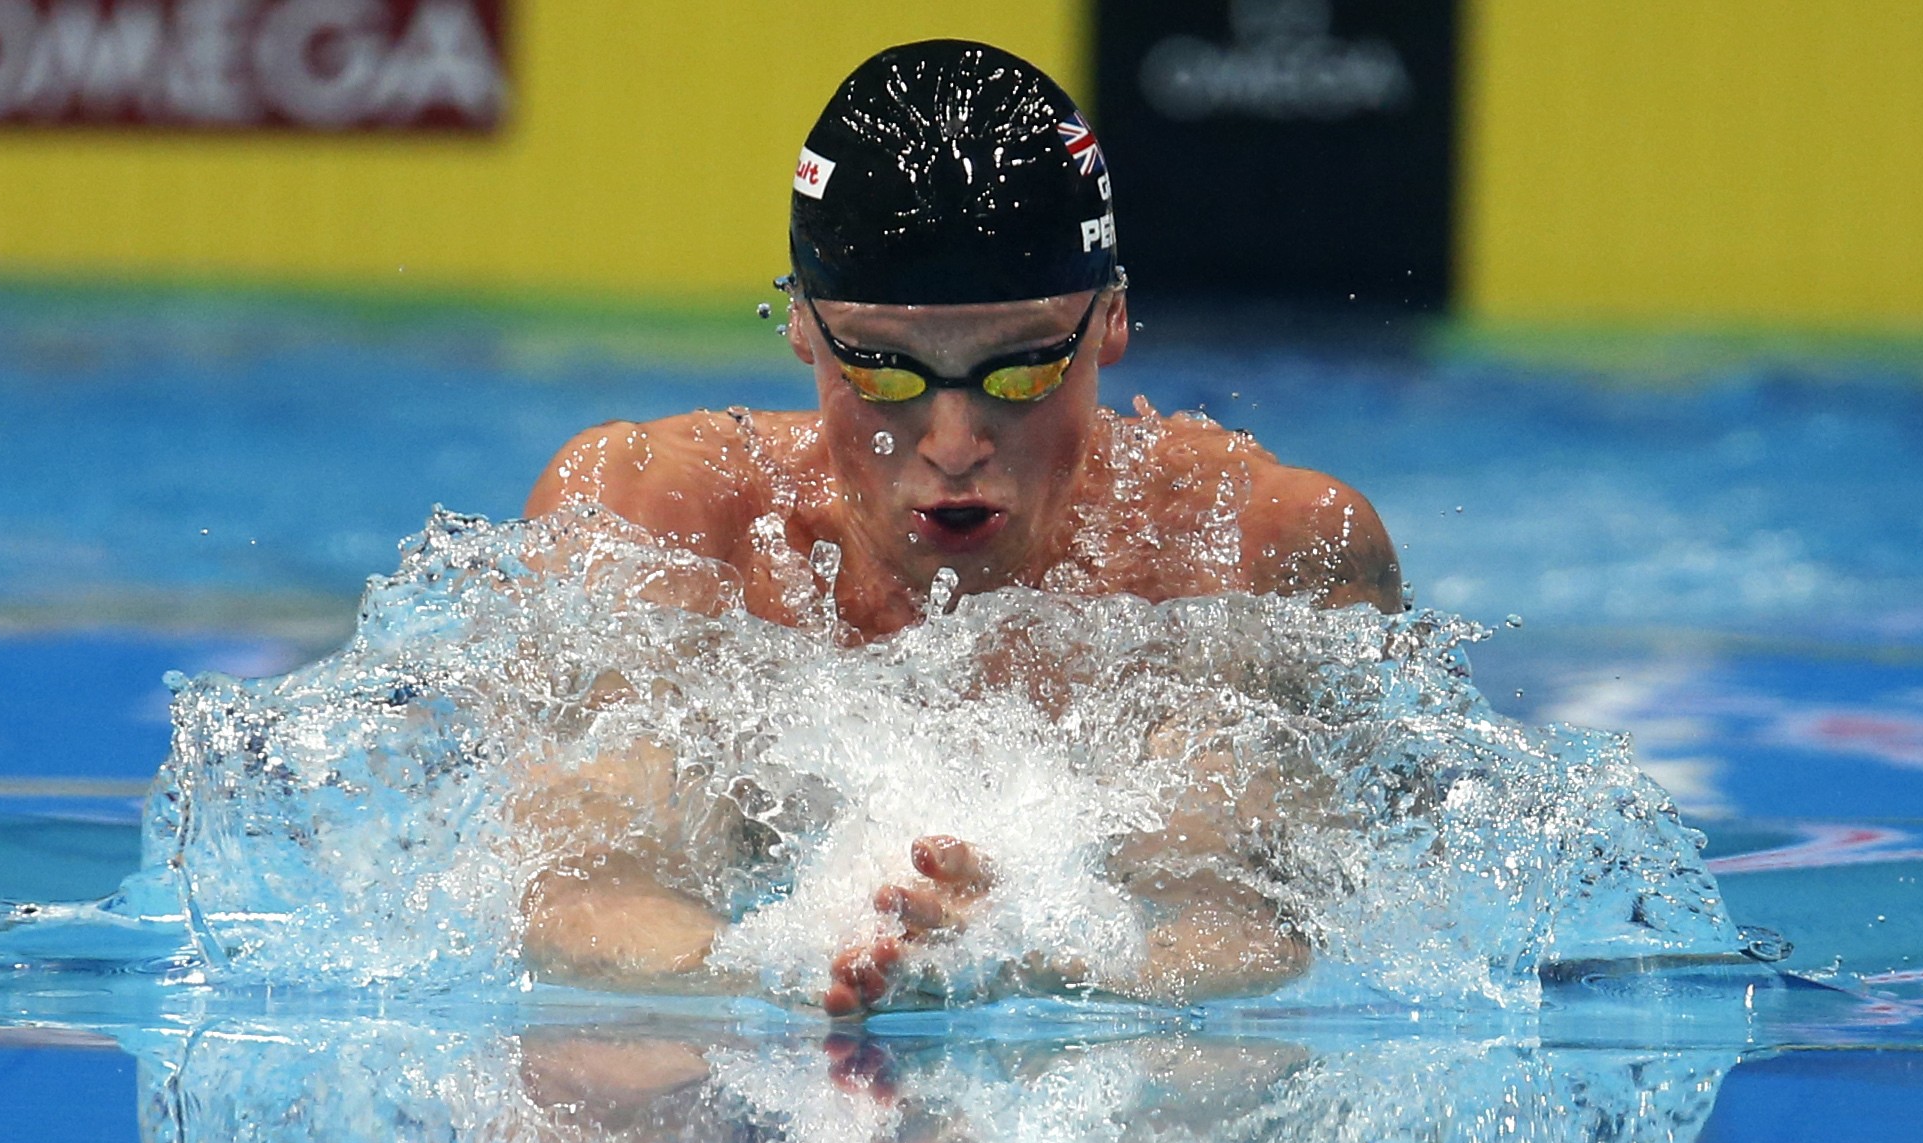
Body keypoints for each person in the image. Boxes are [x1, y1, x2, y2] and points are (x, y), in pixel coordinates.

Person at [520, 40, 1403, 1015]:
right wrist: (790, 965)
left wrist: (1044, 960)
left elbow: (1243, 924)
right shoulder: (659, 519)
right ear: (805, 327)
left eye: (1020, 368)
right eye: (886, 369)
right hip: (749, 1056)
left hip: (1109, 1098)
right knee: (603, 1064)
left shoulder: (1249, 549)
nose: (951, 442)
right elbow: (587, 890)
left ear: (1111, 318)